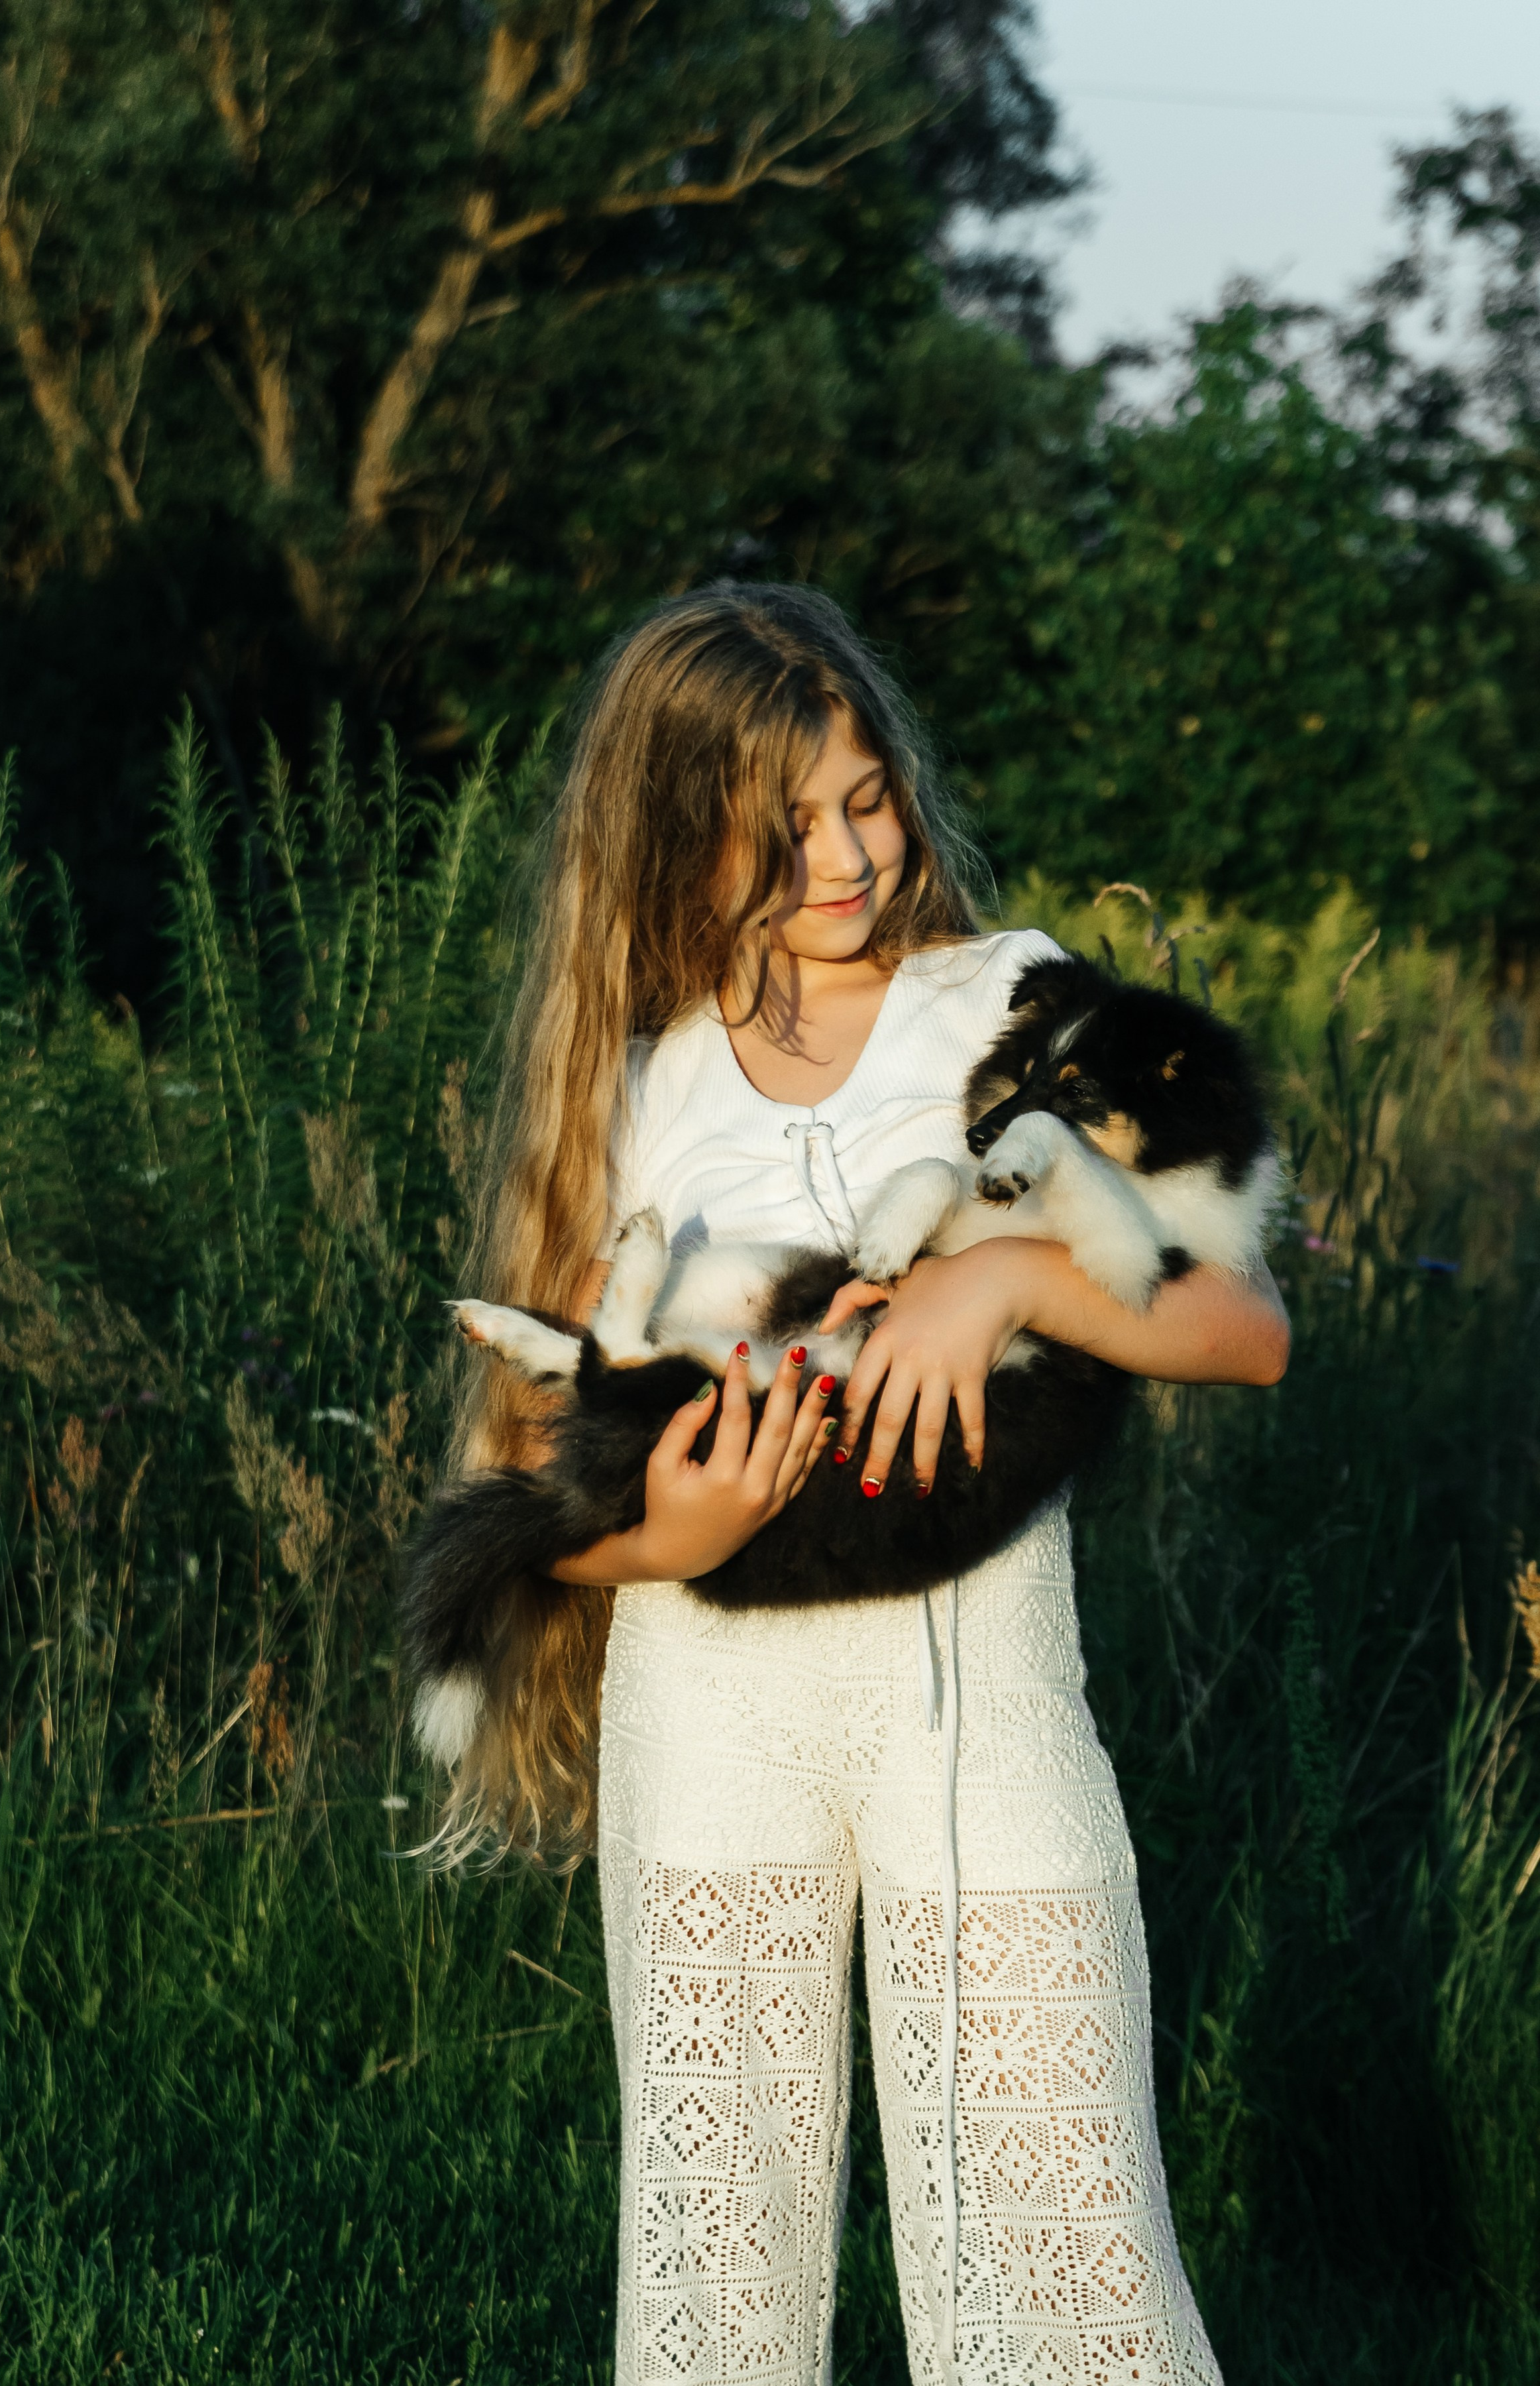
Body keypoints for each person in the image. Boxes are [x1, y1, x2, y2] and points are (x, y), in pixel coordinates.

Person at [445, 583, 1288, 2385]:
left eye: (865, 800)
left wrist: (1011, 1277)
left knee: (1064, 2259)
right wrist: (696, 1525)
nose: (846, 857)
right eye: (785, 827)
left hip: (980, 1703)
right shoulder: (641, 1076)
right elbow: (544, 1482)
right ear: (678, 840)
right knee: (715, 2275)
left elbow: (1242, 1318)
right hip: (711, 1710)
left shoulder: (1008, 1000)